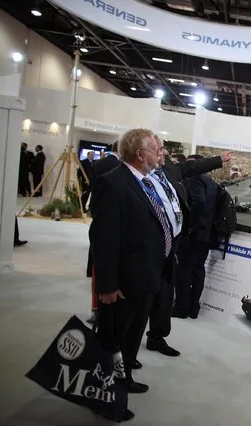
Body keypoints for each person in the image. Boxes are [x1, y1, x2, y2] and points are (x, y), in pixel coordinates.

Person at [90, 128, 166, 421]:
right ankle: (103, 399)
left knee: (131, 340)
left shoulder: (146, 182)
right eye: (153, 149)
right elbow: (103, 240)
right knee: (112, 342)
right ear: (139, 154)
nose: (157, 153)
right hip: (123, 283)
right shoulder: (113, 184)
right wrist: (107, 286)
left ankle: (126, 380)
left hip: (146, 277)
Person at [144, 136, 231, 358]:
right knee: (140, 299)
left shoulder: (170, 171)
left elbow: (192, 166)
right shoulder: (136, 178)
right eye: (158, 149)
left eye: (163, 149)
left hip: (171, 245)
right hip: (145, 248)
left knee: (166, 292)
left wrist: (219, 159)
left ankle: (157, 336)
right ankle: (126, 351)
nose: (163, 153)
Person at [172, 154, 221, 319]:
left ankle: (181, 308)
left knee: (183, 271)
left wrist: (191, 226)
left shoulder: (194, 179)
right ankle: (194, 308)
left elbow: (198, 202)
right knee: (198, 270)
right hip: (206, 235)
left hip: (194, 234)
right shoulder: (211, 182)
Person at [86, 141, 121, 325]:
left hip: (98, 217)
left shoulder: (98, 164)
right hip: (113, 226)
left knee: (97, 272)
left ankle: (94, 310)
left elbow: (93, 190)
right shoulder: (121, 170)